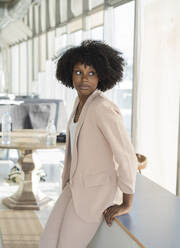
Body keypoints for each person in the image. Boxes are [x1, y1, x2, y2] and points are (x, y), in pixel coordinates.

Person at [39, 40, 137, 248]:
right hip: (74, 187)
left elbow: (125, 154)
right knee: (47, 241)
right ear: (69, 74)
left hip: (95, 193)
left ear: (101, 75)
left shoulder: (102, 108)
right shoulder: (79, 103)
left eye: (91, 73)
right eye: (78, 72)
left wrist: (127, 202)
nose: (84, 79)